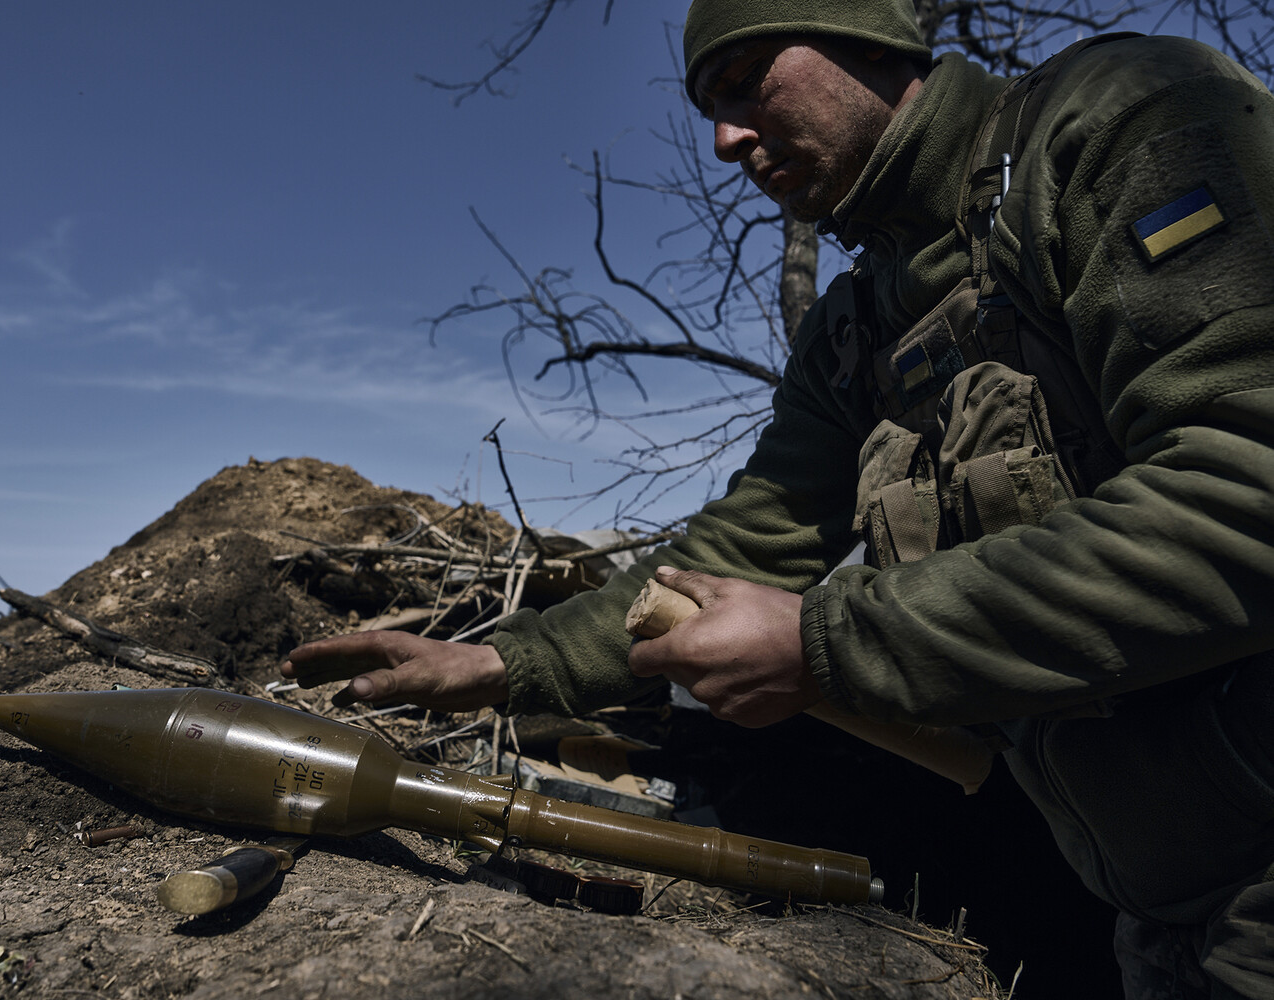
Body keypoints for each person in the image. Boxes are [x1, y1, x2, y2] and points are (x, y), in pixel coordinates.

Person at [283, 1, 1274, 995]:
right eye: (708, 105)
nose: (726, 140)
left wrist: (825, 643)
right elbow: (748, 544)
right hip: (1160, 908)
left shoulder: (1124, 126)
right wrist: (505, 660)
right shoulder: (859, 326)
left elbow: (1246, 492)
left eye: (749, 77)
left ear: (871, 39)